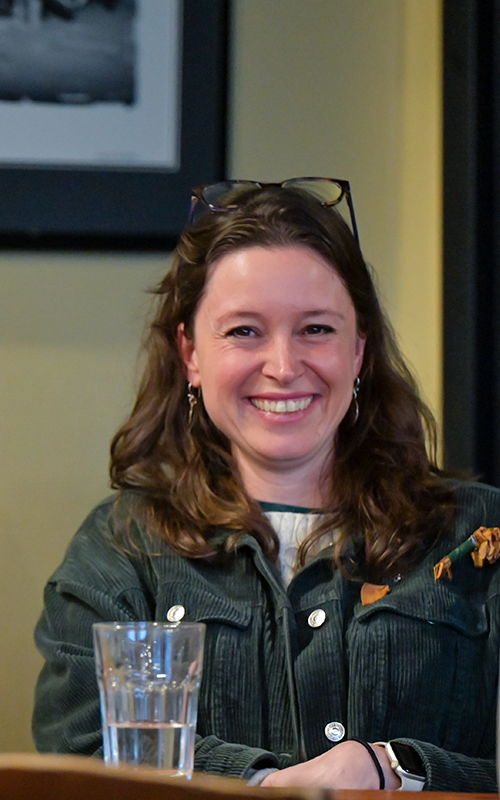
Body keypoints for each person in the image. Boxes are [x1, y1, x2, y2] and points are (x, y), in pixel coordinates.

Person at [32, 178, 499, 792]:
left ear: (359, 350)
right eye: (244, 331)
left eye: (316, 330)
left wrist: (394, 770)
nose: (283, 367)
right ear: (191, 353)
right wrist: (257, 783)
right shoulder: (120, 550)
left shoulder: (476, 533)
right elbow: (82, 756)